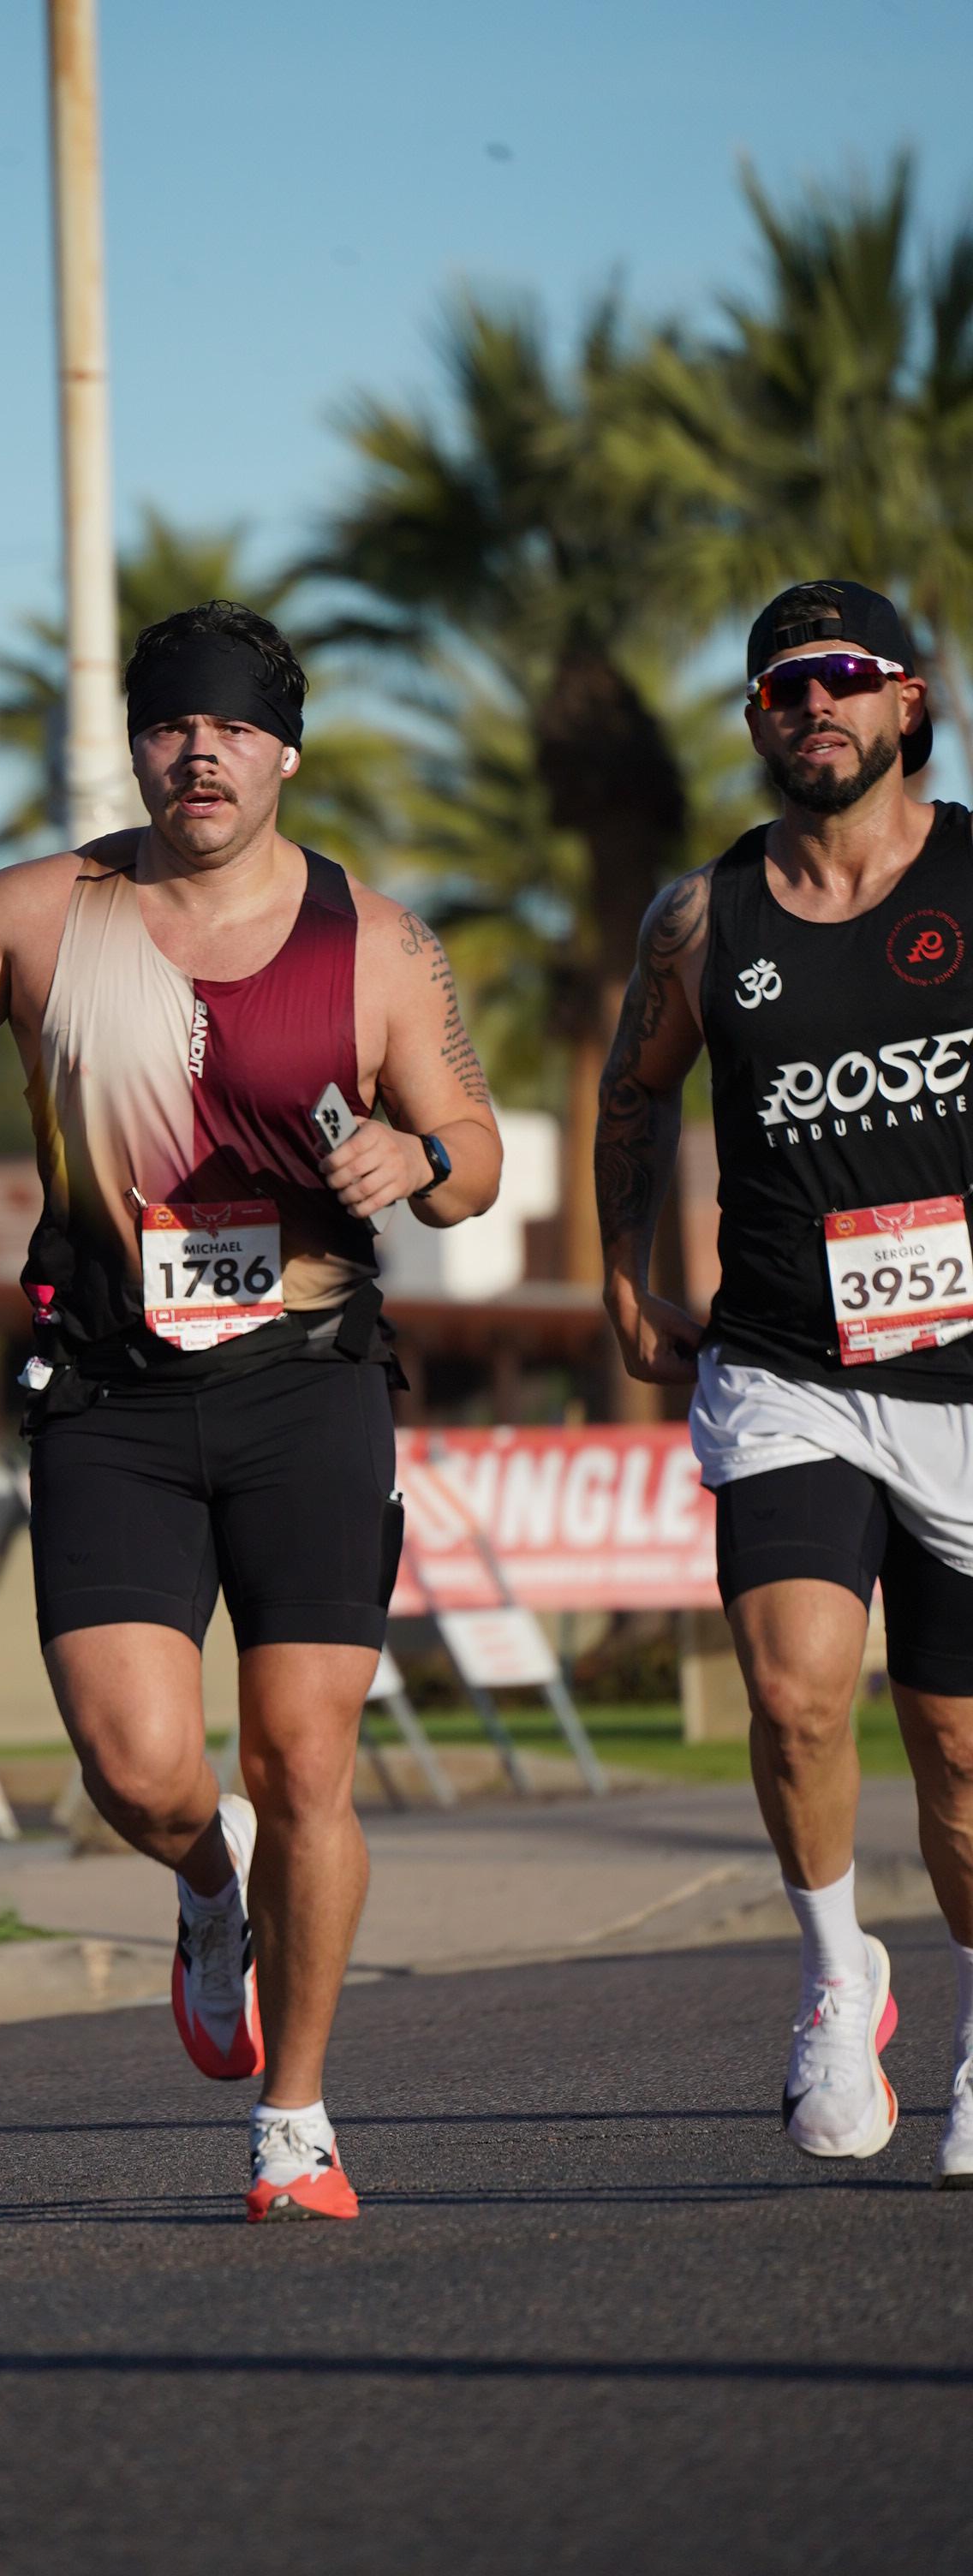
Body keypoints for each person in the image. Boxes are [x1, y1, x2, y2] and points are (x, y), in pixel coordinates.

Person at [0, 600, 500, 2219]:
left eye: (235, 728)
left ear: (285, 754)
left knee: (305, 1759)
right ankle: (204, 1875)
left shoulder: (378, 943)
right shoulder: (47, 913)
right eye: (174, 725)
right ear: (138, 746)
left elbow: (474, 1152)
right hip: (111, 1397)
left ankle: (294, 2117)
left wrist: (423, 1157)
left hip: (309, 1387)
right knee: (138, 1766)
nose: (203, 754)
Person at [596, 577, 973, 2182]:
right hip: (784, 1365)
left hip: (967, 1381)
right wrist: (627, 1272)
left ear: (906, 701)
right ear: (756, 722)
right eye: (779, 686)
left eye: (843, 675)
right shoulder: (702, 918)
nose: (813, 703)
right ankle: (836, 1975)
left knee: (958, 1750)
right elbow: (635, 1091)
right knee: (797, 1692)